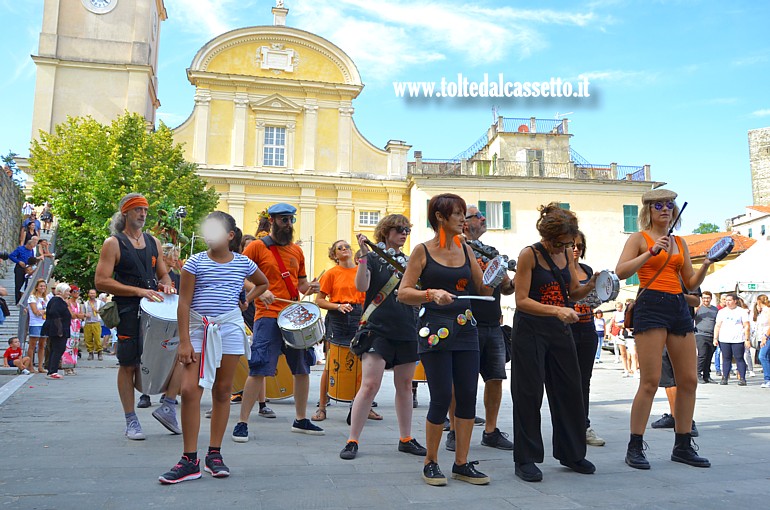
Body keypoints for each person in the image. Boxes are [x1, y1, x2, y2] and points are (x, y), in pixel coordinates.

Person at [159, 212, 269, 484]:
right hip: (198, 329)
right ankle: (188, 458)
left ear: (230, 236)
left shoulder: (243, 262)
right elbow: (183, 304)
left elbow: (264, 282)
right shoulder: (194, 263)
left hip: (229, 328)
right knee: (188, 390)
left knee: (223, 390)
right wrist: (184, 342)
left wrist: (246, 300)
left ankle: (214, 454)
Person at [399, 193, 493, 486]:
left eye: (464, 213)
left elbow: (485, 290)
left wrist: (497, 274)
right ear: (440, 217)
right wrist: (431, 294)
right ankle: (431, 461)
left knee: (467, 395)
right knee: (441, 396)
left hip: (466, 328)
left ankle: (462, 463)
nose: (464, 219)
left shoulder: (465, 248)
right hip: (434, 329)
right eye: (457, 214)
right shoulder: (422, 251)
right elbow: (403, 292)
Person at [615, 188, 712, 470]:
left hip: (678, 305)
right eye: (658, 205)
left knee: (689, 380)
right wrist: (650, 252)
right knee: (650, 380)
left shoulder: (680, 242)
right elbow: (620, 271)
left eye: (669, 205)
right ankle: (635, 445)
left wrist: (706, 264)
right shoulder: (639, 238)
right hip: (651, 303)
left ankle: (682, 445)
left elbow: (690, 284)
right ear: (648, 211)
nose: (665, 209)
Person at [510, 203, 598, 483]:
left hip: (560, 331)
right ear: (549, 238)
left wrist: (593, 284)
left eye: (570, 244)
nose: (567, 249)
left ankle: (571, 453)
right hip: (530, 330)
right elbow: (521, 300)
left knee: (570, 391)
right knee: (528, 394)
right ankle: (526, 458)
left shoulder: (567, 255)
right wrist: (556, 310)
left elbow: (573, 291)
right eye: (562, 244)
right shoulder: (529, 254)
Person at [231, 202, 323, 442]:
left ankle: (301, 419)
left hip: (293, 315)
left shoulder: (296, 251)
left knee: (302, 368)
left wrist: (311, 288)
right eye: (284, 220)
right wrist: (260, 291)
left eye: (291, 220)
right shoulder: (256, 247)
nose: (288, 224)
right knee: (259, 367)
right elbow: (239, 276)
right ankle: (242, 422)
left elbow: (300, 285)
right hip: (267, 315)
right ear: (272, 221)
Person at [338, 216, 426, 460]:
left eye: (407, 230)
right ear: (386, 232)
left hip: (407, 328)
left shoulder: (409, 262)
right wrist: (364, 256)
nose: (404, 233)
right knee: (369, 385)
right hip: (378, 328)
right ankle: (352, 439)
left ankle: (406, 438)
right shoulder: (374, 257)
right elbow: (362, 287)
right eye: (399, 229)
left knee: (405, 386)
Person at [94, 193, 176, 440]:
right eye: (138, 209)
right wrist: (139, 291)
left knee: (174, 355)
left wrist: (167, 286)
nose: (142, 214)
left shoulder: (153, 242)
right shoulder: (113, 243)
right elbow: (101, 281)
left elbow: (163, 275)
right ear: (126, 213)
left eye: (145, 210)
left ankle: (168, 406)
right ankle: (131, 420)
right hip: (129, 310)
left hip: (155, 310)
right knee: (128, 363)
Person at [444, 204, 514, 452]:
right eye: (478, 216)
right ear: (465, 222)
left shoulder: (492, 251)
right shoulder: (452, 248)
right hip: (464, 321)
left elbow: (505, 288)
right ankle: (454, 430)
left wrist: (514, 281)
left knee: (495, 378)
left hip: (492, 323)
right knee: (460, 380)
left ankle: (491, 431)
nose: (484, 219)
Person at [313, 240, 380, 422]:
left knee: (364, 363)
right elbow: (319, 300)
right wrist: (337, 306)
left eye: (347, 247)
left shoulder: (362, 270)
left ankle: (365, 406)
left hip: (361, 314)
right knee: (331, 362)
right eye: (339, 248)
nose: (344, 250)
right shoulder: (331, 274)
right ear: (335, 255)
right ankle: (322, 407)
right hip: (338, 317)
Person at [569, 230, 605, 447]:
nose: (576, 249)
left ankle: (584, 425)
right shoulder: (560, 270)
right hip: (567, 329)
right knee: (567, 380)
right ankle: (569, 425)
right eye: (572, 244)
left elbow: (593, 300)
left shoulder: (587, 270)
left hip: (587, 327)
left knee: (584, 380)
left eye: (580, 246)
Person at [714, 293, 750, 386]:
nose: (728, 302)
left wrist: (747, 339)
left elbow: (746, 325)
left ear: (735, 301)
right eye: (726, 300)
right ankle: (725, 377)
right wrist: (715, 338)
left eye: (730, 300)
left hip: (738, 339)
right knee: (726, 358)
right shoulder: (722, 312)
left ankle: (742, 378)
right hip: (724, 339)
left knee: (739, 358)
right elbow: (718, 325)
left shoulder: (741, 311)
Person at [45, 283, 72, 380]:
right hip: (58, 330)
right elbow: (54, 313)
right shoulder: (57, 301)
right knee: (58, 349)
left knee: (55, 349)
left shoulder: (58, 301)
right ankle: (53, 371)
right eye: (67, 291)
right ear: (61, 292)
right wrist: (59, 329)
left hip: (58, 329)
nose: (69, 293)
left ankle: (51, 370)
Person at [694, 291, 718, 383]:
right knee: (702, 355)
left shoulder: (715, 310)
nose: (706, 300)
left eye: (707, 298)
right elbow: (690, 317)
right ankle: (697, 374)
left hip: (712, 335)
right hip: (700, 334)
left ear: (711, 299)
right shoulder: (698, 309)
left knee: (709, 356)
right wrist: (695, 309)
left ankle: (706, 375)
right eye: (704, 298)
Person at [27, 279, 50, 373]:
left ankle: (40, 366)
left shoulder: (46, 299)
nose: (43, 288)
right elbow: (35, 311)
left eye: (44, 286)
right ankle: (30, 366)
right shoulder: (32, 298)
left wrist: (44, 312)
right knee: (32, 345)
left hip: (44, 323)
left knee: (42, 345)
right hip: (35, 323)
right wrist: (45, 312)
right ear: (37, 287)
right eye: (41, 286)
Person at [9, 237, 38, 304]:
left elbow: (32, 259)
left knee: (26, 285)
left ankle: (24, 300)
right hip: (20, 268)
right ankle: (18, 301)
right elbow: (11, 256)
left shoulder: (32, 250)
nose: (31, 248)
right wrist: (18, 261)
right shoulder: (20, 249)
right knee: (18, 284)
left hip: (27, 268)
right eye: (31, 247)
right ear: (28, 245)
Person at [83, 289, 103, 360]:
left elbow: (104, 311)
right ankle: (90, 353)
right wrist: (85, 315)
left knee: (97, 339)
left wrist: (98, 311)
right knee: (88, 339)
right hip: (88, 323)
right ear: (88, 294)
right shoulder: (85, 303)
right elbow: (82, 313)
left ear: (96, 294)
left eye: (93, 293)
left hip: (96, 322)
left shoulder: (100, 303)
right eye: (91, 293)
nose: (92, 295)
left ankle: (99, 352)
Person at [756, 295, 770, 388]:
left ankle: (767, 378)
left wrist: (765, 336)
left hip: (767, 336)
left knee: (762, 356)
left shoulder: (767, 311)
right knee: (766, 357)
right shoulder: (762, 312)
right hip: (763, 336)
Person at [607, 302, 627, 367]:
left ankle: (623, 357)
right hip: (615, 327)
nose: (618, 309)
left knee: (622, 344)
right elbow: (612, 320)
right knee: (615, 345)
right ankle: (617, 357)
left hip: (621, 327)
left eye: (619, 307)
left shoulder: (624, 312)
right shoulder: (614, 313)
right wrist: (610, 328)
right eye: (617, 307)